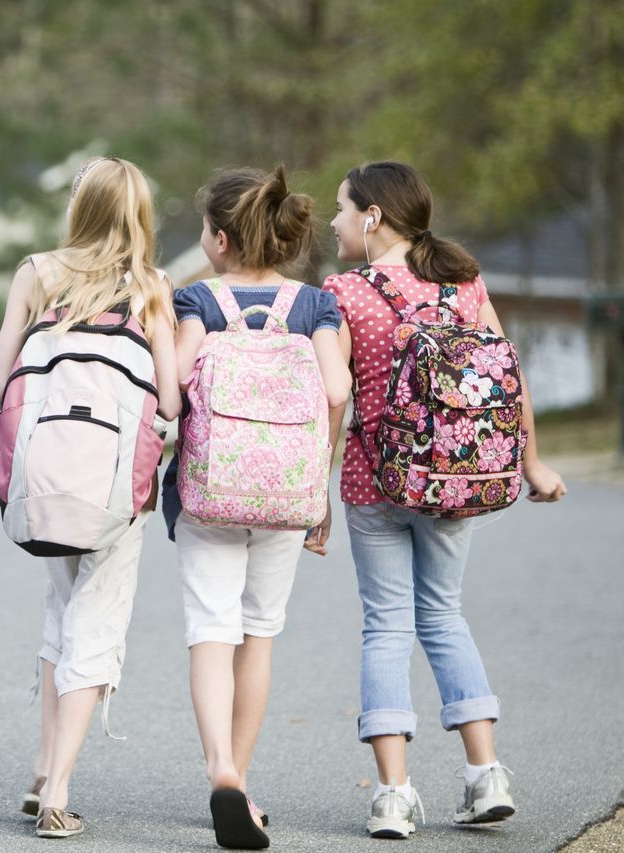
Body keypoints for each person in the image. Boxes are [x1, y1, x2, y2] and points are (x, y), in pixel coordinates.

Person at [316, 160, 567, 838]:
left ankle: (393, 795)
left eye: (342, 209)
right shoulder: (464, 282)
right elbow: (506, 378)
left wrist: (316, 495)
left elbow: (334, 402)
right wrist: (532, 463)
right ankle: (487, 776)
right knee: (444, 616)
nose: (334, 222)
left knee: (387, 627)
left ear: (373, 216)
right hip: (459, 481)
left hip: (377, 480)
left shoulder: (344, 291)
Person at [0, 157, 182, 839]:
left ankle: (43, 766)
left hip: (46, 480)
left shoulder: (38, 272)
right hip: (113, 491)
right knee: (93, 628)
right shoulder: (155, 289)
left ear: (80, 207)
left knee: (60, 612)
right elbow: (172, 397)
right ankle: (58, 790)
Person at [161, 166, 350, 849]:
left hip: (208, 487)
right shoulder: (314, 305)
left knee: (210, 629)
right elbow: (334, 386)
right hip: (286, 492)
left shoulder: (197, 299)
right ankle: (241, 776)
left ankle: (219, 771)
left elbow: (177, 386)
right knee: (258, 631)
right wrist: (317, 485)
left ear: (217, 239)